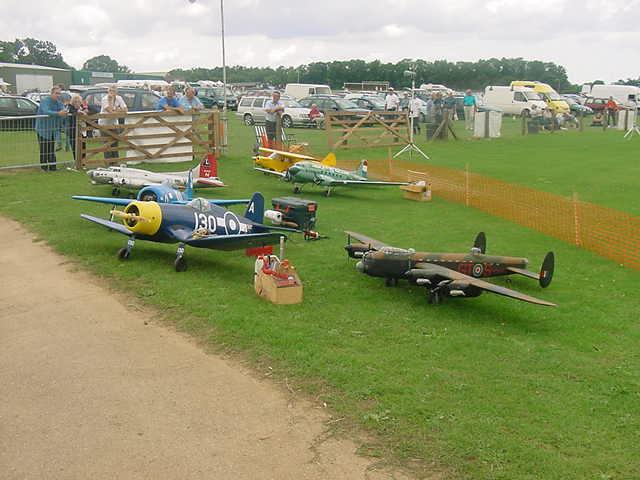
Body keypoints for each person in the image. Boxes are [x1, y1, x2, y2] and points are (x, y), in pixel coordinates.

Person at [34, 86, 67, 171]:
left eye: (59, 93)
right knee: (44, 149)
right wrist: (58, 113)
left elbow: (63, 109)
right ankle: (44, 168)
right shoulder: (45, 101)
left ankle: (53, 167)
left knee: (51, 149)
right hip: (43, 129)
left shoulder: (58, 102)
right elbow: (46, 111)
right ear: (51, 93)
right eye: (56, 93)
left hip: (52, 129)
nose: (58, 95)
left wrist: (63, 112)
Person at [99, 85, 128, 160]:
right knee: (106, 144)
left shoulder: (119, 98)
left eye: (114, 91)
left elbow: (125, 109)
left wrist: (116, 110)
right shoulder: (104, 99)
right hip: (104, 124)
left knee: (115, 142)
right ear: (108, 91)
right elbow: (110, 111)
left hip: (114, 123)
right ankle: (108, 161)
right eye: (110, 91)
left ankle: (116, 161)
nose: (112, 93)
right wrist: (111, 101)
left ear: (116, 92)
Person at [67, 94, 88, 162]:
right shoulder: (70, 107)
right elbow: (71, 111)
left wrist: (85, 111)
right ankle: (77, 162)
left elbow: (89, 110)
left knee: (83, 146)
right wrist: (78, 112)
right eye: (75, 102)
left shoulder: (82, 107)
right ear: (72, 102)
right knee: (75, 147)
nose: (77, 103)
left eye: (78, 102)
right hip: (73, 130)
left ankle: (83, 162)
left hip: (82, 130)